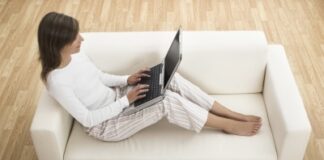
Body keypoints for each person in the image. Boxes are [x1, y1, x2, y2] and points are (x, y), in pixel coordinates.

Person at [37, 12, 262, 142]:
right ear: (59, 43)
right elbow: (87, 119)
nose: (82, 39)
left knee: (167, 76)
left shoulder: (77, 55)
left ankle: (230, 113)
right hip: (106, 125)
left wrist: (128, 80)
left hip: (119, 98)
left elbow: (99, 77)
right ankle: (227, 125)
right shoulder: (57, 81)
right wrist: (127, 100)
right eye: (75, 37)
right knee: (166, 102)